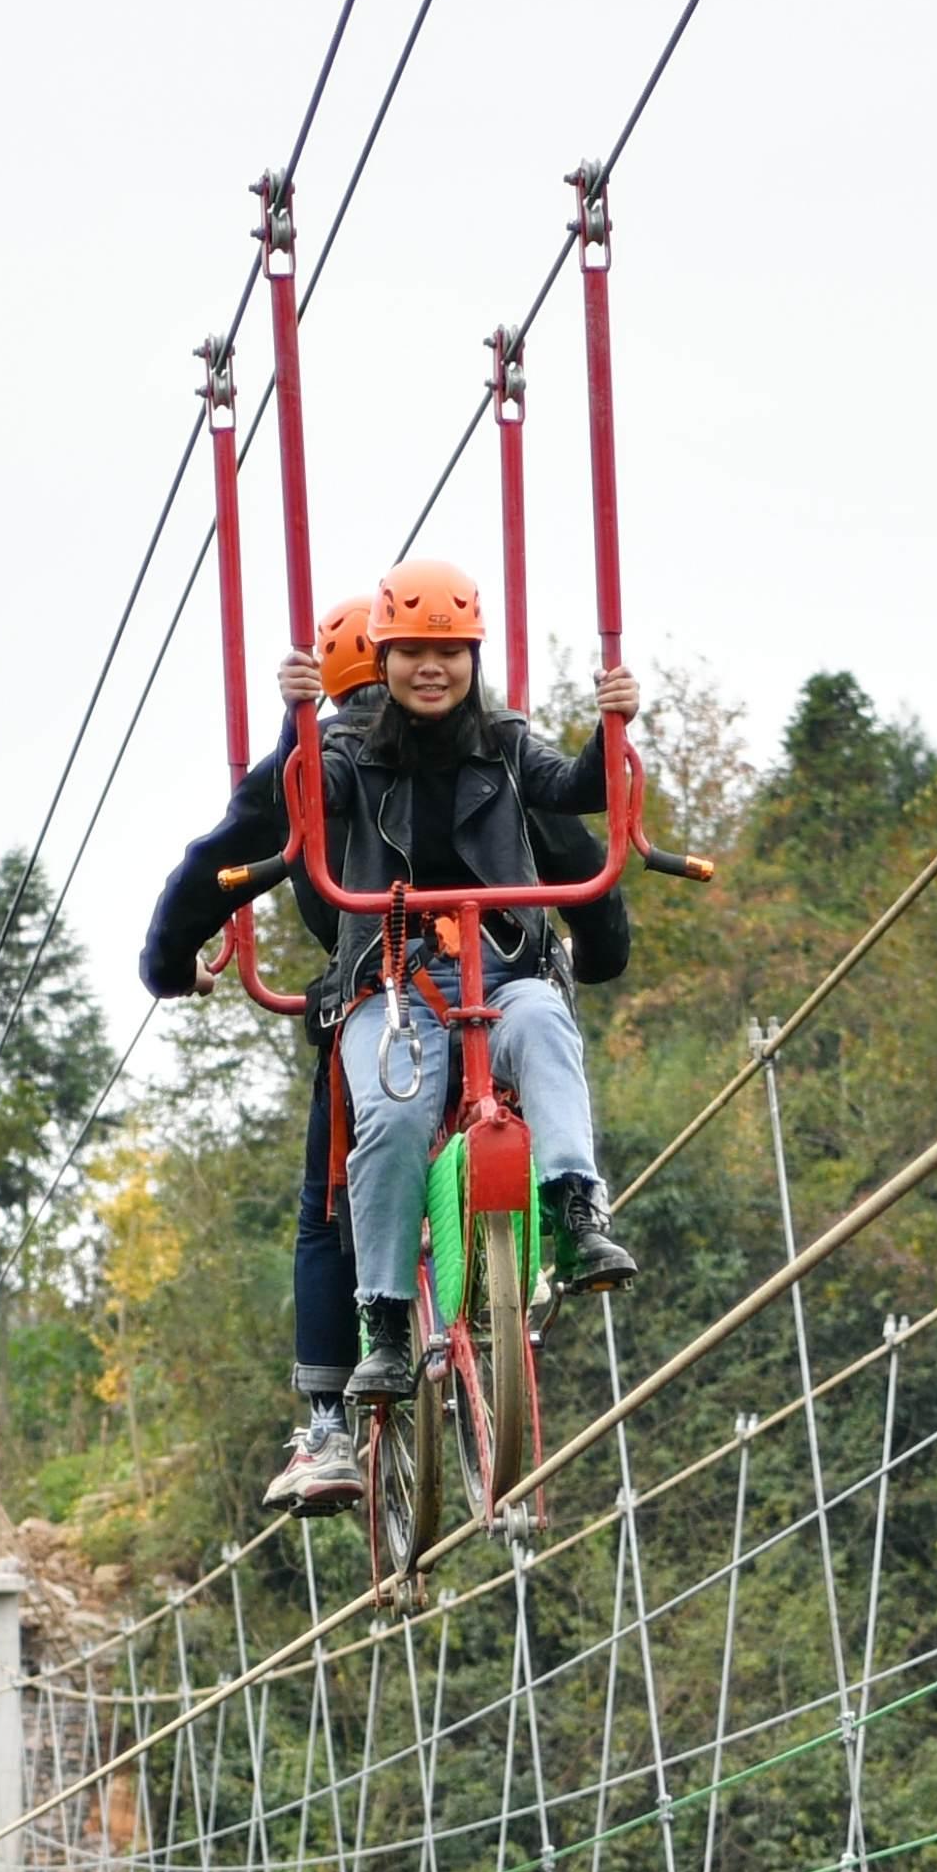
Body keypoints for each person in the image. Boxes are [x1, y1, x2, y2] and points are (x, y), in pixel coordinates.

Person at [144, 556, 644, 1417]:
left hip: (500, 969)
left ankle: (575, 1207)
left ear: (472, 661)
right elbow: (295, 801)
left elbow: (572, 799)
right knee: (390, 1115)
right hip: (393, 986)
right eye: (409, 652)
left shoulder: (505, 744)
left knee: (545, 1024)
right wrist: (296, 724)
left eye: (448, 653)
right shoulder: (342, 753)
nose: (430, 670)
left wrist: (612, 729)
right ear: (379, 663)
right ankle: (383, 1322)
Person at [138, 603, 380, 1512]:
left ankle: (327, 1417)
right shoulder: (493, 747)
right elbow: (568, 845)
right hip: (498, 972)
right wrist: (598, 944)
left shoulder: (315, 765)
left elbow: (215, 867)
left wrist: (167, 968)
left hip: (378, 987)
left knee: (327, 1207)